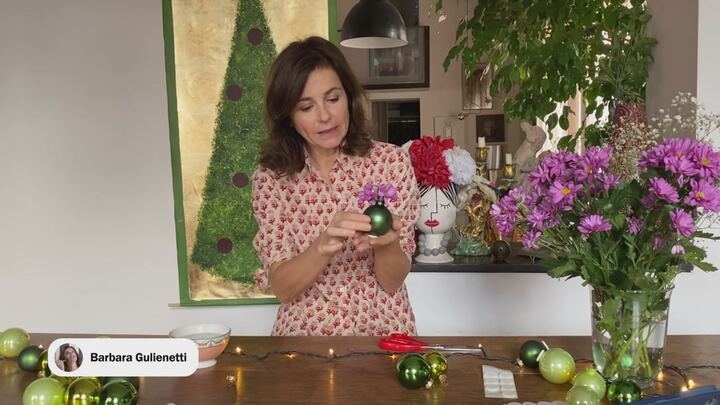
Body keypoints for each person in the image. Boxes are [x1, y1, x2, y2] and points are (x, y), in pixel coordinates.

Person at [252, 37, 421, 336]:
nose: (325, 116)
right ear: (288, 117)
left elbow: (392, 281)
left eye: (333, 99)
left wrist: (387, 243)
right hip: (306, 340)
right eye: (306, 107)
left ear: (349, 97)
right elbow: (282, 289)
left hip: (382, 334)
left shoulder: (390, 162)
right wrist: (321, 246)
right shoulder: (271, 178)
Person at [515, 121, 548, 190]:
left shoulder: (530, 150)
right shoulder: (527, 150)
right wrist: (539, 161)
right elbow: (523, 166)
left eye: (541, 143)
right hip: (519, 179)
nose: (540, 145)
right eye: (540, 141)